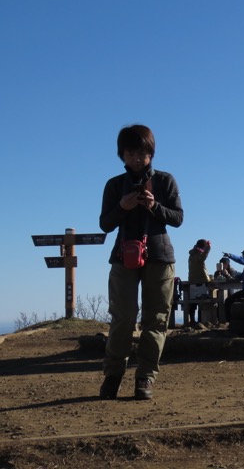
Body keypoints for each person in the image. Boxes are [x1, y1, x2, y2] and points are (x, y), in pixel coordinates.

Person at [99, 124, 184, 401]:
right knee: (122, 316)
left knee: (156, 318)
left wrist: (154, 206)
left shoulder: (164, 181)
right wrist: (122, 207)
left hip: (159, 255)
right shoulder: (114, 185)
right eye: (131, 153)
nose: (137, 158)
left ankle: (145, 377)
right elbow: (105, 224)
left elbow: (178, 218)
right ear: (122, 155)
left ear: (151, 154)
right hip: (123, 256)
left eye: (143, 153)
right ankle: (113, 376)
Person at [187, 239, 214, 327]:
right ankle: (201, 321)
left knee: (193, 302)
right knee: (202, 302)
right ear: (203, 247)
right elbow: (203, 257)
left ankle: (192, 320)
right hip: (201, 280)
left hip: (192, 280)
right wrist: (208, 249)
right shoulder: (199, 254)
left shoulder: (191, 254)